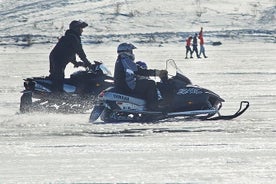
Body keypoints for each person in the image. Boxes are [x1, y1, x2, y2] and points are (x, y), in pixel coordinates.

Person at [114, 42, 167, 111]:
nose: (132, 53)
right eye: (131, 51)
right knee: (151, 83)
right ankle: (153, 107)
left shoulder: (121, 60)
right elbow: (139, 71)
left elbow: (135, 69)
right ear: (126, 51)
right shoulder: (125, 60)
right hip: (128, 86)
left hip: (123, 85)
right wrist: (157, 72)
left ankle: (145, 104)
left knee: (144, 83)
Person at [49, 20, 92, 92]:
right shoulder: (73, 38)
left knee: (55, 76)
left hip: (56, 57)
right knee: (59, 77)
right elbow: (79, 51)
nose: (82, 31)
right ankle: (56, 96)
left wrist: (75, 62)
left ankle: (54, 92)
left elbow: (69, 52)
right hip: (58, 58)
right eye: (81, 28)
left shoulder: (71, 37)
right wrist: (87, 62)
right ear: (76, 29)